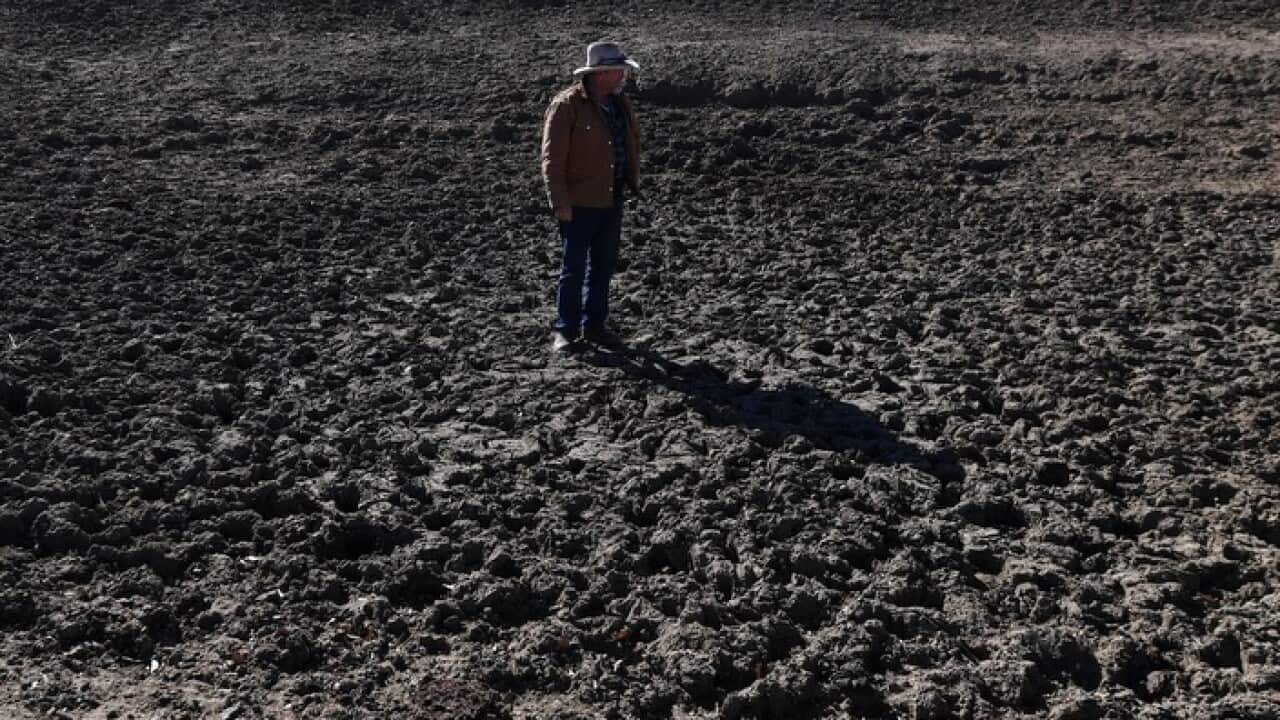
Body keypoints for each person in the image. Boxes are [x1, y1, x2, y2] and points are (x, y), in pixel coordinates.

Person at [541, 42, 641, 352]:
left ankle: (595, 325)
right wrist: (560, 202)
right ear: (601, 74)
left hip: (612, 196)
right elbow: (552, 159)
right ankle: (565, 331)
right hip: (579, 201)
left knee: (603, 264)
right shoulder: (566, 106)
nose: (622, 75)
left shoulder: (619, 104)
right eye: (618, 70)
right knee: (573, 268)